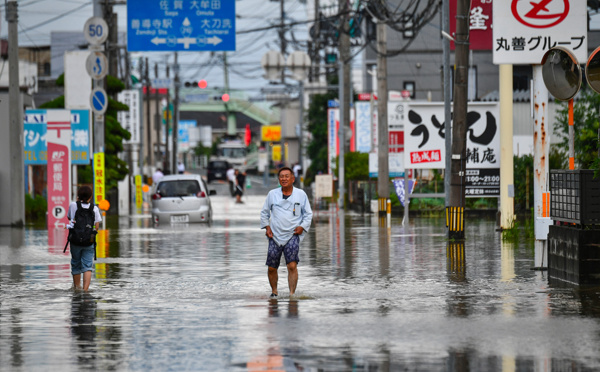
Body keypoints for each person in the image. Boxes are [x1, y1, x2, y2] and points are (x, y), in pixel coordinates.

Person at [260, 167, 313, 298]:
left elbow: (308, 214)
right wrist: (267, 227)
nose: (284, 179)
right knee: (272, 267)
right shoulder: (272, 194)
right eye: (281, 176)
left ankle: (291, 294)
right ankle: (274, 292)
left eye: (287, 176)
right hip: (275, 235)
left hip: (293, 234)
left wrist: (302, 227)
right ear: (279, 179)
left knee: (292, 265)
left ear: (292, 179)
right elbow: (264, 213)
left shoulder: (301, 194)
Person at [67, 186, 102, 291]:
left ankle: (77, 288)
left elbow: (69, 218)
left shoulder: (73, 205)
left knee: (76, 263)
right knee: (87, 266)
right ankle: (85, 290)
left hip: (75, 240)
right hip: (89, 241)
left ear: (78, 196)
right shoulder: (94, 208)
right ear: (90, 197)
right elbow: (97, 225)